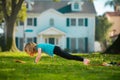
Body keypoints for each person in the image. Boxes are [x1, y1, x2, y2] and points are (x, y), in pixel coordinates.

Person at [24, 42, 90, 65]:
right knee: (69, 57)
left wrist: (35, 62)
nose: (28, 52)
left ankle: (84, 60)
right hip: (56, 49)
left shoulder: (39, 46)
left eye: (28, 51)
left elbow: (39, 55)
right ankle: (84, 60)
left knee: (69, 57)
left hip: (56, 49)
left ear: (30, 48)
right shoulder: (38, 46)